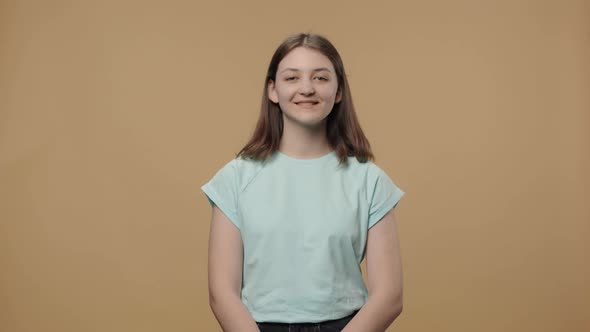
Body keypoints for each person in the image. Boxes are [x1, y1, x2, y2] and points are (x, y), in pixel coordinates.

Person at [201, 32, 406, 332]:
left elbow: (389, 297)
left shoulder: (369, 180)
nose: (307, 88)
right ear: (273, 90)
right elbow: (222, 293)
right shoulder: (234, 179)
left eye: (321, 78)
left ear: (338, 92)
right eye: (292, 78)